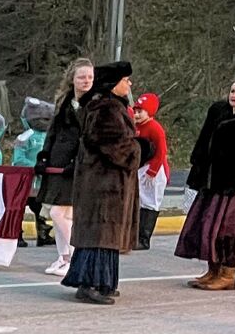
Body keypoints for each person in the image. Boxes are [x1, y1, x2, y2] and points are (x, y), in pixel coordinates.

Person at [176, 75, 235, 290]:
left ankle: (227, 274)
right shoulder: (222, 116)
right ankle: (214, 270)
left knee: (228, 230)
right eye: (232, 91)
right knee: (209, 227)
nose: (234, 95)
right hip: (216, 184)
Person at [61, 61, 141, 305]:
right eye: (125, 79)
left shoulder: (111, 106)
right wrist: (141, 149)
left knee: (106, 235)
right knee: (99, 234)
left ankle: (104, 281)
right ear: (113, 83)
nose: (129, 84)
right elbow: (115, 146)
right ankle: (88, 283)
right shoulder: (106, 109)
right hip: (102, 185)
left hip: (108, 183)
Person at [38, 58, 91, 275]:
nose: (86, 81)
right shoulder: (65, 101)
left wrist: (76, 161)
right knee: (57, 212)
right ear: (73, 79)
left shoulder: (94, 104)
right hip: (57, 164)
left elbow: (88, 137)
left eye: (89, 77)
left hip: (77, 166)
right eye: (81, 77)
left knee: (60, 213)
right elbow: (53, 131)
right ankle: (63, 257)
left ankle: (74, 256)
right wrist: (43, 156)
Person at [132, 91, 171, 248]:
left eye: (140, 111)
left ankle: (144, 238)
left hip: (154, 170)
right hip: (141, 168)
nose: (137, 114)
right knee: (140, 200)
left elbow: (161, 152)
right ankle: (136, 235)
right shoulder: (136, 127)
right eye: (135, 111)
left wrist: (152, 171)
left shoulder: (155, 128)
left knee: (150, 202)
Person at [15, 98, 53, 243]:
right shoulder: (25, 137)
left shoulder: (49, 137)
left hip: (42, 180)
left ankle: (42, 233)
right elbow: (19, 159)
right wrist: (33, 166)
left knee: (40, 208)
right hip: (26, 180)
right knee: (20, 207)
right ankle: (17, 233)